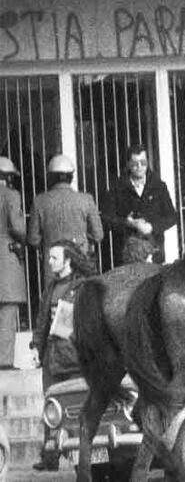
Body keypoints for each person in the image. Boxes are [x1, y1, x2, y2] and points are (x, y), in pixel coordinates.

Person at [31, 239, 95, 471]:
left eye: (54, 258)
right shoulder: (50, 288)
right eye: (49, 257)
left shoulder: (82, 286)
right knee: (52, 407)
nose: (49, 262)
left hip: (74, 359)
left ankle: (83, 461)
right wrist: (37, 348)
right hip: (52, 358)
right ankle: (50, 455)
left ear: (68, 260)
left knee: (77, 409)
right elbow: (42, 323)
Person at [27, 154, 104, 286]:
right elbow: (98, 235)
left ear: (50, 177)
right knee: (80, 300)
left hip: (52, 265)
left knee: (54, 301)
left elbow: (33, 239)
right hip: (80, 261)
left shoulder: (40, 201)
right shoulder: (86, 199)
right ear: (71, 177)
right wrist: (83, 239)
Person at [101, 143, 176, 266]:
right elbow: (106, 217)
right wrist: (127, 223)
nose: (140, 167)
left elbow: (172, 217)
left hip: (154, 250)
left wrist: (152, 227)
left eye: (143, 162)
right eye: (135, 164)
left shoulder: (158, 186)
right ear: (128, 164)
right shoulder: (117, 188)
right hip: (127, 252)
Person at [0, 156, 26, 370]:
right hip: (5, 259)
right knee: (7, 311)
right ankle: (5, 360)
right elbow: (17, 227)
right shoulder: (11, 195)